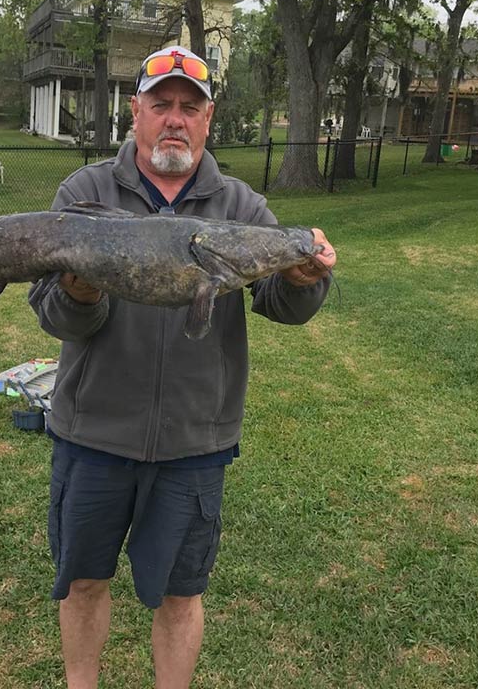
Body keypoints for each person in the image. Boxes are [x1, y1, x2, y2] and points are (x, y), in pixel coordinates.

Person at [28, 46, 337, 689]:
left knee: (179, 593)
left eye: (188, 108)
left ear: (208, 118)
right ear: (135, 112)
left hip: (195, 441)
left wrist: (305, 279)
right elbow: (53, 314)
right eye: (161, 105)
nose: (174, 119)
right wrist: (81, 293)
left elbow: (280, 302)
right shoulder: (84, 193)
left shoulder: (242, 207)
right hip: (94, 433)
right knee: (83, 581)